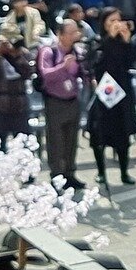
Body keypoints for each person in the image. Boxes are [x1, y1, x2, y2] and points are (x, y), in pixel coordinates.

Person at [89, 8, 136, 187]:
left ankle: (125, 171)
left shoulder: (124, 41)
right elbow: (97, 63)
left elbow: (132, 61)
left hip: (123, 90)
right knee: (99, 132)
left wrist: (127, 41)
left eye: (118, 20)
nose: (116, 24)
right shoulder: (97, 42)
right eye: (111, 21)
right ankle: (101, 171)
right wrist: (109, 38)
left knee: (122, 133)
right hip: (105, 90)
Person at [37, 19, 86, 190]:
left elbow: (82, 72)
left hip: (73, 99)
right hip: (55, 101)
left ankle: (70, 173)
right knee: (56, 140)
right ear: (61, 34)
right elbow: (46, 74)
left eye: (76, 32)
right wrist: (63, 67)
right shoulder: (48, 52)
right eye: (71, 33)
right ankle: (57, 175)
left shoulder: (78, 52)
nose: (76, 36)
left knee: (72, 140)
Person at [0, 36, 33, 145]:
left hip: (19, 106)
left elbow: (27, 73)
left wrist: (16, 55)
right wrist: (0, 56)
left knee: (23, 144)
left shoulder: (22, 54)